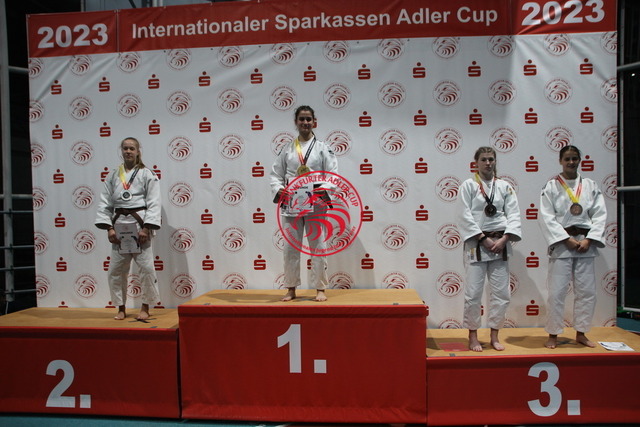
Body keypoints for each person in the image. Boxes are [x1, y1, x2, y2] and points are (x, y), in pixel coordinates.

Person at [539, 145, 607, 349]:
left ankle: (581, 333)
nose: (571, 162)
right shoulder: (551, 186)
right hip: (563, 244)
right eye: (567, 158)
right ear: (560, 161)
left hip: (585, 243)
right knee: (557, 292)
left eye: (574, 158)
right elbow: (546, 217)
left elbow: (600, 214)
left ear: (579, 160)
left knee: (587, 292)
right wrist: (565, 238)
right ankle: (553, 334)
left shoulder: (590, 185)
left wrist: (590, 239)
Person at [270, 105, 338, 302]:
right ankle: (291, 288)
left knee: (318, 245)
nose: (305, 122)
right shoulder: (287, 149)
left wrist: (321, 189)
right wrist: (279, 189)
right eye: (302, 119)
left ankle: (320, 288)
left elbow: (333, 175)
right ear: (296, 122)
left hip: (316, 202)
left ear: (314, 122)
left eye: (308, 119)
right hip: (292, 202)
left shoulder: (323, 148)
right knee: (290, 247)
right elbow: (275, 174)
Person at [459, 147, 522, 351]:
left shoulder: (504, 186)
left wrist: (505, 239)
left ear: (495, 162)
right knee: (473, 293)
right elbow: (464, 215)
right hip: (477, 245)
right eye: (484, 159)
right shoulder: (468, 186)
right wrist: (482, 238)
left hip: (500, 244)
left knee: (502, 294)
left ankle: (495, 335)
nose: (488, 163)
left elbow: (514, 214)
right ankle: (473, 335)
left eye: (491, 159)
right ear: (476, 163)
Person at [95, 137, 162, 320]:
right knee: (116, 270)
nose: (128, 151)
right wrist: (109, 228)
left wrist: (146, 228)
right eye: (125, 148)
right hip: (119, 227)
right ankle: (121, 308)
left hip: (140, 225)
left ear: (138, 151)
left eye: (132, 148)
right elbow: (105, 202)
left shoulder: (147, 174)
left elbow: (154, 202)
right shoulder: (113, 175)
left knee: (146, 268)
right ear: (121, 151)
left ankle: (145, 307)